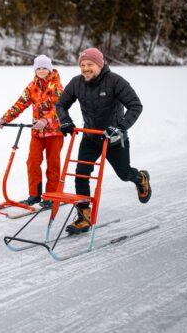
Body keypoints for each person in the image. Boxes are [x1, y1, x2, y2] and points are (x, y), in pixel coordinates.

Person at [55, 47, 151, 235]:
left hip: (114, 138)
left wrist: (120, 126)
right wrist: (64, 120)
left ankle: (141, 178)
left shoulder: (115, 81)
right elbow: (61, 104)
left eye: (90, 64)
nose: (85, 69)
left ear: (100, 64)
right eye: (82, 65)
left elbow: (135, 105)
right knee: (81, 174)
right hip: (90, 137)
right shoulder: (77, 83)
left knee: (124, 174)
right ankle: (84, 216)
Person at [0, 54, 65, 207]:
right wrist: (5, 119)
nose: (41, 71)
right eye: (38, 68)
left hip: (55, 132)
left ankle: (51, 197)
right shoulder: (32, 86)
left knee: (52, 164)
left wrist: (45, 120)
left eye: (44, 68)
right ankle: (34, 194)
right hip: (37, 133)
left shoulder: (57, 86)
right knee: (32, 162)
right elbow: (20, 104)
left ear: (49, 69)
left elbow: (59, 109)